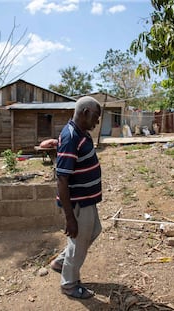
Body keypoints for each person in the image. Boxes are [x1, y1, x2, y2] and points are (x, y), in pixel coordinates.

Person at [50, 96, 102, 299]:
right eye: (96, 118)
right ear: (85, 113)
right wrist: (70, 218)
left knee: (94, 230)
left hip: (87, 199)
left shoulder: (82, 133)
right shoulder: (71, 137)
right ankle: (69, 284)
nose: (97, 123)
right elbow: (62, 180)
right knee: (79, 243)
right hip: (78, 203)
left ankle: (61, 262)